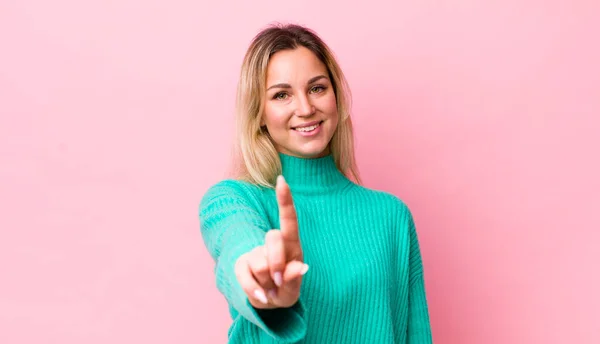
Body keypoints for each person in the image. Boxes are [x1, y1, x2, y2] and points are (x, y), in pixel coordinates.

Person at [199, 23, 432, 343]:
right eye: (281, 95)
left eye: (317, 88)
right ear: (259, 113)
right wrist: (265, 278)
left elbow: (415, 335)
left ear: (336, 96)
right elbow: (237, 241)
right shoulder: (233, 200)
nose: (306, 108)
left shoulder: (391, 216)